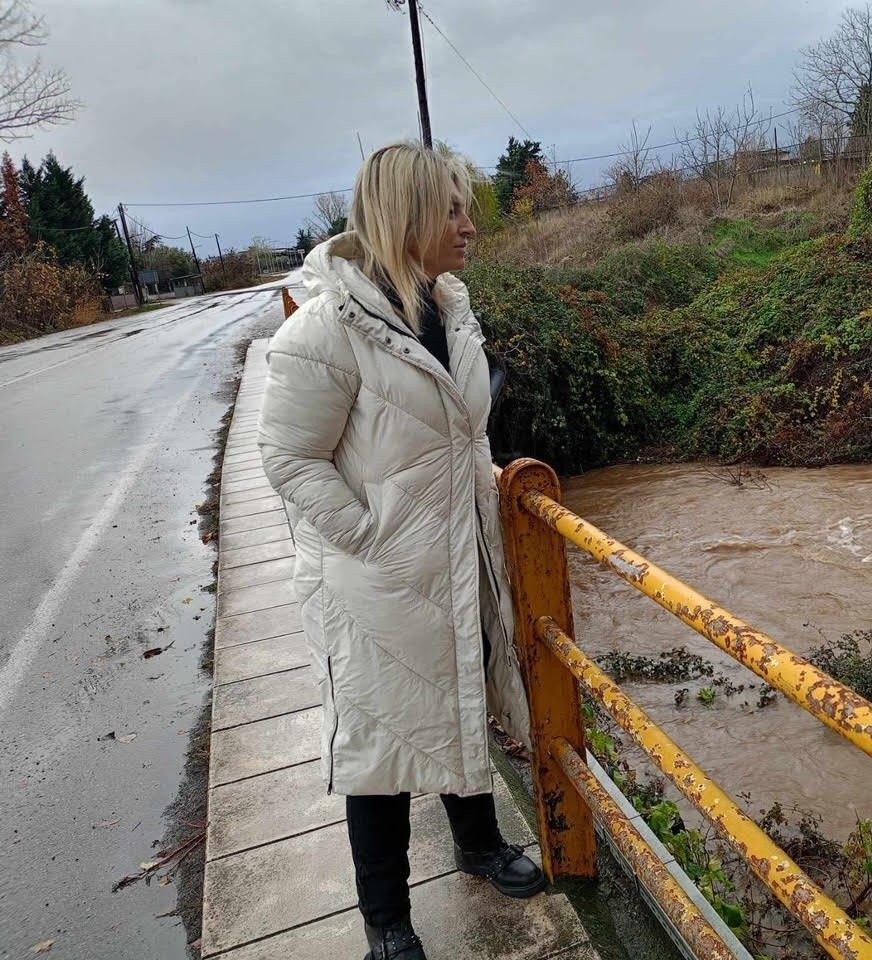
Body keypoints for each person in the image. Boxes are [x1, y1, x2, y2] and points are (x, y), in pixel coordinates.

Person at [257, 141, 543, 960]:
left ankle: (479, 845)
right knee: (379, 748)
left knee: (457, 703)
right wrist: (365, 534)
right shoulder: (324, 330)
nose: (469, 224)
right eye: (452, 208)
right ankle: (386, 917)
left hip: (458, 555)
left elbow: (460, 428)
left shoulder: (449, 307)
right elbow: (288, 458)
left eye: (467, 206)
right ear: (405, 217)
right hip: (377, 574)